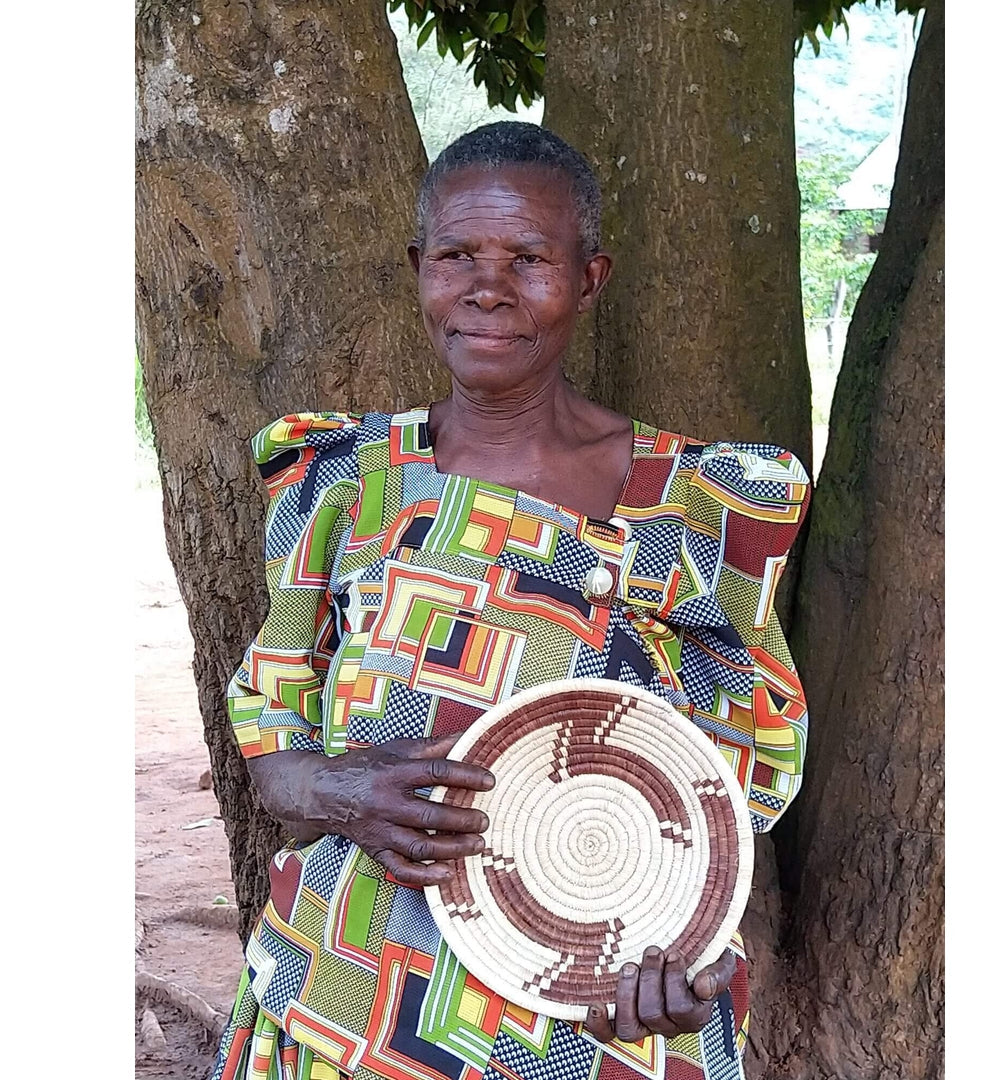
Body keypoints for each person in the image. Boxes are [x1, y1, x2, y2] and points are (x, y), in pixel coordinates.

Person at [210, 122, 810, 1080]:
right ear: (420, 268)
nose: (488, 287)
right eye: (458, 255)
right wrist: (349, 791)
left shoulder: (694, 506)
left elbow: (742, 780)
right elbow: (274, 757)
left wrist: (677, 953)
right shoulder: (343, 481)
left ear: (590, 278)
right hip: (353, 993)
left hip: (593, 1001)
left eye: (529, 258)